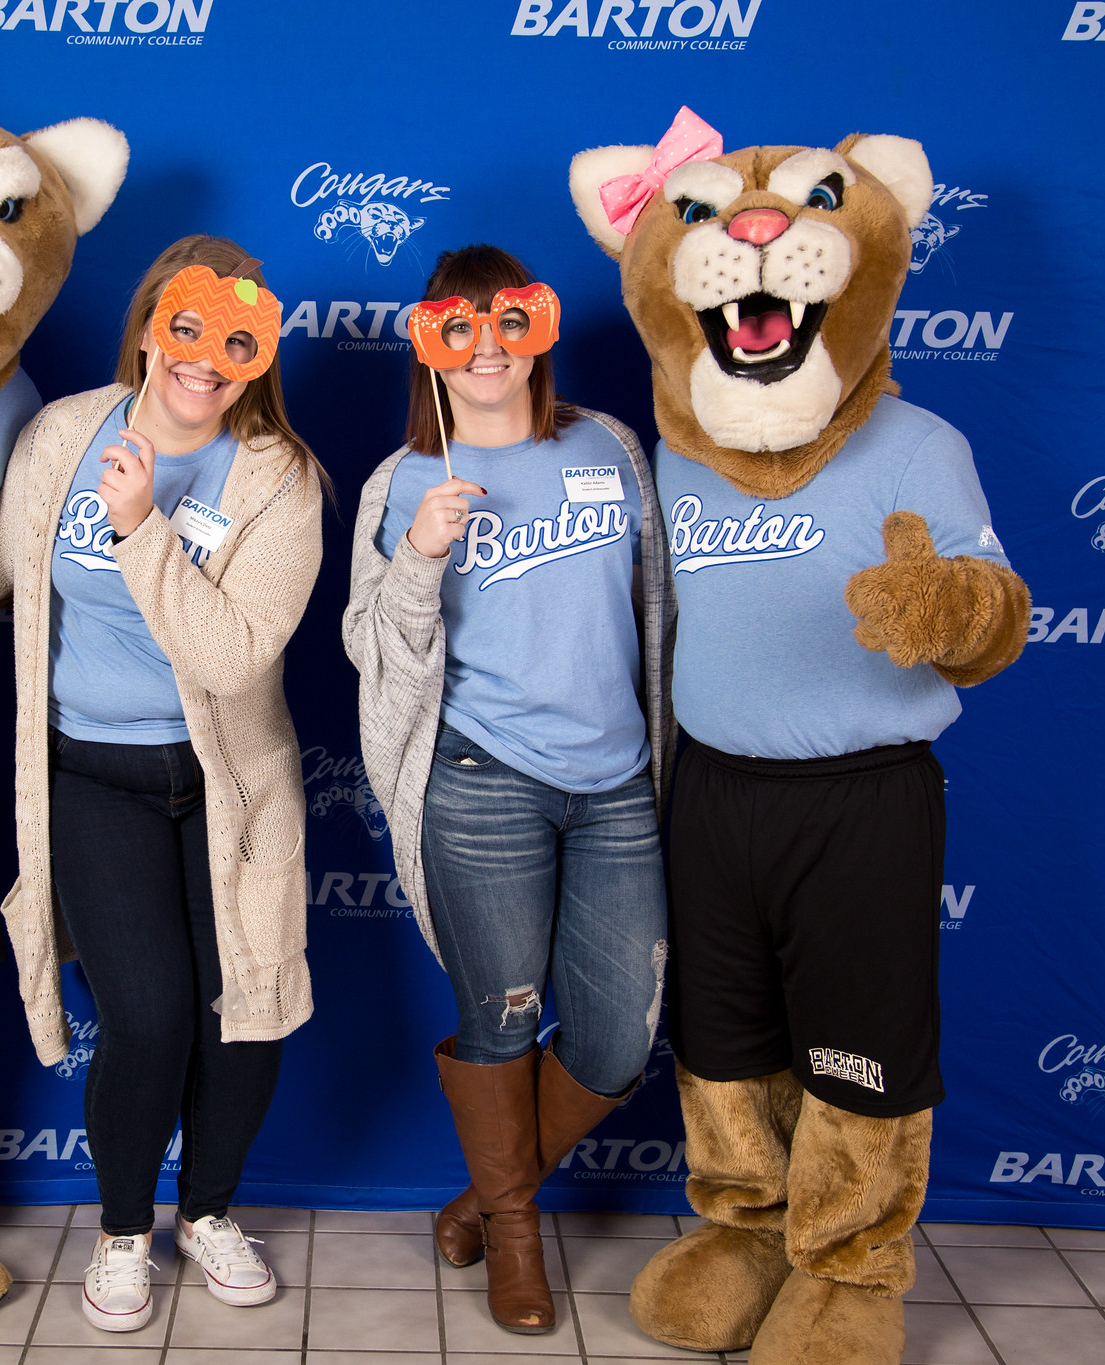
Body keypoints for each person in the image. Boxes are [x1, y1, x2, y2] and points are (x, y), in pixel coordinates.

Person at [0, 235, 324, 1334]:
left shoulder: (280, 478)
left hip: (233, 784)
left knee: (245, 1015)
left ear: (257, 356)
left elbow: (228, 658)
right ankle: (123, 1231)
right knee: (150, 1015)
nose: (204, 361)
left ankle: (207, 1212)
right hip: (93, 777)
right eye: (187, 328)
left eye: (235, 342)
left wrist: (140, 531)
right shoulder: (62, 435)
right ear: (144, 327)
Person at [342, 244, 674, 1335]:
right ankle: (516, 1245)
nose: (485, 345)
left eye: (506, 320)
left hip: (617, 783)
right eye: (459, 325)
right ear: (430, 343)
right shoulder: (401, 481)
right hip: (481, 782)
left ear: (538, 328)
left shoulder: (607, 447)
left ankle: (483, 1196)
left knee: (619, 1038)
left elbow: (657, 610)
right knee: (500, 1022)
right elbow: (371, 644)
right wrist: (421, 555)